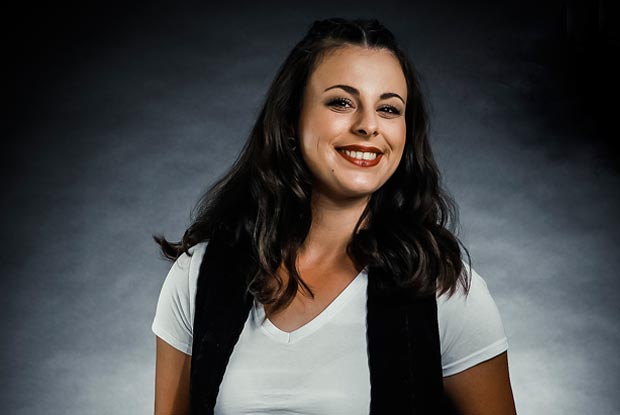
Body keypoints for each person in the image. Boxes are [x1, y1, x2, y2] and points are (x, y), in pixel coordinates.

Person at [151, 18, 516, 415]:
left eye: (388, 108)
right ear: (291, 120)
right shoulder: (197, 275)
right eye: (342, 102)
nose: (368, 126)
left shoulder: (442, 289)